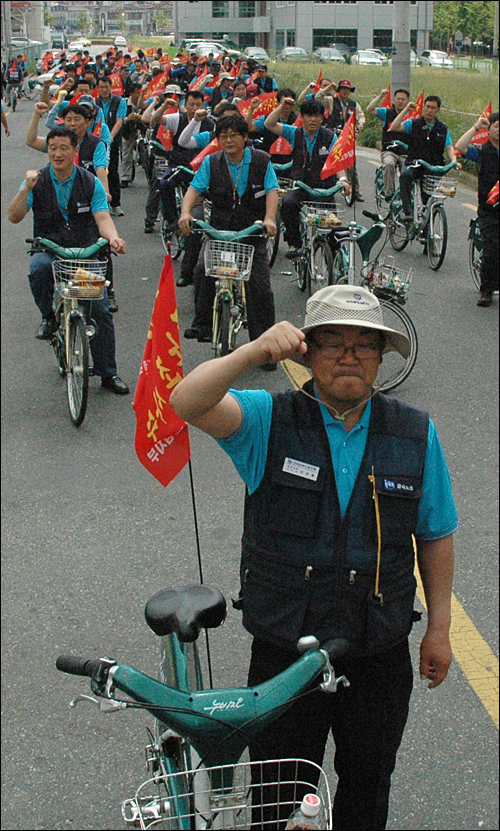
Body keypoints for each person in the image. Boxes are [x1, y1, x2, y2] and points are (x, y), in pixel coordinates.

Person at [169, 283, 457, 830]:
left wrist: (439, 628)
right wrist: (252, 352)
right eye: (332, 344)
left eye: (364, 346)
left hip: (378, 649)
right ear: (306, 352)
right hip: (284, 653)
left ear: (380, 357)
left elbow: (436, 533)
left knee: (368, 790)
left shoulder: (416, 433)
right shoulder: (265, 420)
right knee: (279, 799)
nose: (349, 357)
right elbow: (187, 401)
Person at [7, 127, 129, 394]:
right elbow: (14, 216)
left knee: (99, 310)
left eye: (64, 148)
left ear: (75, 152)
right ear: (47, 150)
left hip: (84, 253)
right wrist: (25, 188)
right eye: (53, 148)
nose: (58, 153)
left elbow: (103, 218)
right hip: (50, 249)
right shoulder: (36, 179)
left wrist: (114, 239)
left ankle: (108, 373)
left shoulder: (90, 182)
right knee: (38, 268)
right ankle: (49, 318)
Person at [178, 113, 279, 353]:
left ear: (245, 138)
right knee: (203, 272)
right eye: (223, 137)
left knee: (260, 289)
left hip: (251, 234)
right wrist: (185, 213)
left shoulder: (262, 160)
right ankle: (202, 325)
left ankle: (265, 348)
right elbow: (194, 190)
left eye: (234, 136)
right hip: (220, 233)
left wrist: (269, 219)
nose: (229, 140)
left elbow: (272, 191)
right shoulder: (211, 162)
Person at [264, 97, 351, 258]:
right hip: (301, 186)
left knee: (332, 228)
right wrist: (282, 107)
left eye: (317, 116)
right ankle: (294, 244)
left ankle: (333, 264)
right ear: (302, 117)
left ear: (322, 118)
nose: (313, 119)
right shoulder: (294, 132)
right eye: (309, 115)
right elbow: (269, 124)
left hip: (324, 187)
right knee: (288, 204)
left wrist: (343, 180)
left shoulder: (330, 136)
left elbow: (337, 160)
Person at [455, 112, 499, 306]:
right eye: (496, 125)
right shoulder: (481, 150)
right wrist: (475, 127)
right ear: (489, 129)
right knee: (491, 252)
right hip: (489, 209)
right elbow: (460, 147)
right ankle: (486, 290)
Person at [389, 94, 457, 221]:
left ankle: (426, 232)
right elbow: (395, 127)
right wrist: (406, 110)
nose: (429, 110)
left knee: (428, 200)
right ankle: (407, 211)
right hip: (414, 163)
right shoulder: (414, 124)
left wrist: (454, 161)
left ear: (438, 110)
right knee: (405, 175)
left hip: (432, 166)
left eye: (433, 108)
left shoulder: (443, 128)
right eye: (427, 107)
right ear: (423, 108)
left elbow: (449, 147)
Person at [318, 78, 366, 202]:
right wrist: (328, 88)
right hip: (332, 136)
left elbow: (361, 116)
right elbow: (317, 99)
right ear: (338, 90)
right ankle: (326, 188)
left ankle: (355, 191)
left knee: (351, 163)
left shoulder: (353, 104)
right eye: (343, 89)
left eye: (348, 90)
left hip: (347, 138)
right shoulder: (331, 101)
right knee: (327, 160)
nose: (345, 92)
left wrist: (360, 124)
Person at [366, 87, 410, 200]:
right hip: (390, 151)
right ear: (394, 100)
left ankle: (406, 196)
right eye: (398, 99)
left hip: (406, 152)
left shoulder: (412, 116)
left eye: (403, 99)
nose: (400, 101)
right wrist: (380, 96)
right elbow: (370, 109)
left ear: (407, 101)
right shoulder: (386, 113)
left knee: (409, 171)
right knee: (389, 164)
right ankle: (389, 193)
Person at [96, 74, 127, 217]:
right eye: (101, 87)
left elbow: (119, 121)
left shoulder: (119, 101)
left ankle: (116, 204)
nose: (104, 90)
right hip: (96, 143)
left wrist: (110, 137)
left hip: (112, 143)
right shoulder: (95, 103)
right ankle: (100, 204)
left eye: (106, 87)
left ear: (111, 87)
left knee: (113, 172)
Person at [120, 82, 145, 187]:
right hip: (128, 131)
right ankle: (125, 177)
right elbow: (120, 120)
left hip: (142, 130)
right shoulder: (124, 104)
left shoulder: (145, 102)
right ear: (131, 94)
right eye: (137, 93)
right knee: (126, 154)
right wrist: (128, 118)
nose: (139, 95)